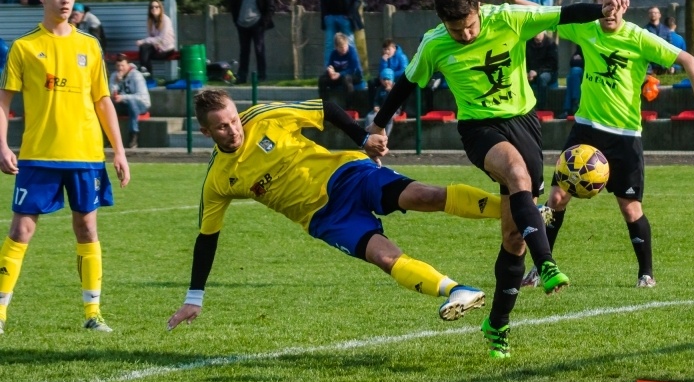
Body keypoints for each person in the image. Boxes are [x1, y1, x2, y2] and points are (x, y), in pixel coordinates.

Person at [367, 0, 628, 358]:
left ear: (479, 9)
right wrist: (378, 125)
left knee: (513, 237)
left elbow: (562, 14)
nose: (466, 35)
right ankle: (547, 263)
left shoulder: (507, 19)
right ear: (443, 22)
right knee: (516, 173)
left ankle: (497, 324)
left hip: (524, 123)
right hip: (479, 130)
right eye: (456, 30)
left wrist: (600, 9)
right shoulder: (434, 43)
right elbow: (406, 84)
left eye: (470, 26)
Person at [166, 89, 502, 331]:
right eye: (222, 127)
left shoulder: (263, 116)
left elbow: (324, 107)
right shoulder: (218, 180)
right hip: (325, 219)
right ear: (206, 132)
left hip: (346, 175)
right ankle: (457, 291)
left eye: (233, 120)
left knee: (424, 196)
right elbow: (207, 238)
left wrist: (363, 139)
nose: (234, 129)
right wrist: (195, 296)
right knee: (385, 258)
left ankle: (515, 209)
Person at [530, 0, 694, 294]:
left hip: (624, 136)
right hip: (586, 130)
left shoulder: (639, 37)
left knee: (630, 208)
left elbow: (690, 61)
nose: (609, 12)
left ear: (624, 6)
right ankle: (540, 267)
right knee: (557, 199)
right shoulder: (585, 29)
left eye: (614, 6)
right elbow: (544, 12)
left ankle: (646, 274)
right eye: (603, 7)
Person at [0, 0, 130, 335]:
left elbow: (103, 101)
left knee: (87, 228)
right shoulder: (24, 47)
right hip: (39, 155)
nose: (66, 0)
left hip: (85, 155)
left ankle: (93, 312)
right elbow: (4, 102)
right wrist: (2, 145)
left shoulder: (89, 45)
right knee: (21, 229)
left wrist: (119, 151)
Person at [230, 0, 275, 84]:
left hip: (257, 24)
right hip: (242, 24)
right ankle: (242, 77)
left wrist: (263, 23)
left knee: (259, 50)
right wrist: (236, 20)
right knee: (244, 52)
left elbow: (270, 7)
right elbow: (233, 4)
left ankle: (261, 76)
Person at [109, 53, 152, 149]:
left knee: (132, 103)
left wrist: (123, 97)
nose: (120, 68)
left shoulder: (136, 75)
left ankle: (133, 135)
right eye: (118, 66)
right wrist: (116, 82)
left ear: (128, 65)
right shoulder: (114, 76)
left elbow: (141, 96)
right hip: (123, 104)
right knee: (107, 105)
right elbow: (112, 94)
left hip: (141, 104)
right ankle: (109, 137)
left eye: (122, 65)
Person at [318, 32, 363, 110]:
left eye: (345, 46)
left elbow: (353, 69)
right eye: (341, 47)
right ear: (336, 47)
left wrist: (340, 74)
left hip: (353, 75)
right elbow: (330, 65)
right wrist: (330, 71)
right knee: (322, 80)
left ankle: (349, 107)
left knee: (346, 79)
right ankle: (324, 105)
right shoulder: (334, 54)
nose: (344, 49)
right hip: (338, 76)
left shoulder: (352, 52)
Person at [136, 0, 176, 74]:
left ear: (160, 8)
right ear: (150, 9)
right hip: (157, 48)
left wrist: (144, 41)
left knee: (145, 51)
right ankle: (145, 71)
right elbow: (150, 37)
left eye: (156, 7)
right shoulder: (150, 21)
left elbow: (161, 38)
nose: (154, 8)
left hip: (167, 49)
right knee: (144, 48)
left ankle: (145, 70)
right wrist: (148, 43)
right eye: (152, 7)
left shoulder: (166, 20)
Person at [525, 31, 559, 109]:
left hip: (549, 72)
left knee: (542, 78)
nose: (536, 34)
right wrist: (527, 72)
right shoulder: (528, 44)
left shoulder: (550, 43)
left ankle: (541, 108)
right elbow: (525, 60)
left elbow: (552, 64)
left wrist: (537, 72)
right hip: (532, 73)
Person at [365, 68, 398, 136]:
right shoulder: (380, 89)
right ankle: (369, 135)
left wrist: (390, 92)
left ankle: (385, 136)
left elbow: (397, 101)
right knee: (369, 117)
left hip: (392, 110)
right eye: (384, 79)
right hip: (381, 109)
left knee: (388, 118)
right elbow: (376, 100)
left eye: (388, 79)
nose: (386, 81)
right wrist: (375, 106)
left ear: (392, 79)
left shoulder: (396, 88)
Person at [643, 6, 673, 75]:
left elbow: (670, 47)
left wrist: (671, 65)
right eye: (651, 13)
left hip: (664, 64)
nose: (653, 14)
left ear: (659, 15)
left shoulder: (666, 30)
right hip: (651, 65)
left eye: (655, 13)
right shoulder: (644, 30)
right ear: (648, 15)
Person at [558, 46, 584, 119]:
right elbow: (572, 62)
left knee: (575, 72)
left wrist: (582, 60)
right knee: (571, 76)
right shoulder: (581, 45)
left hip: (592, 74)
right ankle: (574, 103)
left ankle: (568, 109)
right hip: (580, 73)